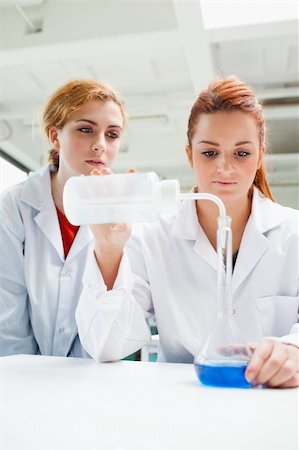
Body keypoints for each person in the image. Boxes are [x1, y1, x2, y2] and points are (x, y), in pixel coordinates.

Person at [76, 76, 298, 388]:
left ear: (260, 155)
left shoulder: (293, 233)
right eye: (209, 153)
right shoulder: (153, 236)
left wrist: (293, 349)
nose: (224, 167)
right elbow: (107, 346)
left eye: (242, 153)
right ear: (189, 155)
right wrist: (108, 250)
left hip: (271, 401)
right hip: (184, 408)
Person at [0, 78, 127, 357]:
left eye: (112, 134)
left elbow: (114, 324)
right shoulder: (12, 208)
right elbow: (9, 321)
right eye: (85, 130)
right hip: (19, 378)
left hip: (90, 380)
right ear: (55, 137)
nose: (100, 145)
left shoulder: (122, 219)